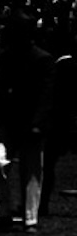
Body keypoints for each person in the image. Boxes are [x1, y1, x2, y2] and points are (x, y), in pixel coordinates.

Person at [0, 10, 55, 232]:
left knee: (32, 172)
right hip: (10, 120)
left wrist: (38, 123)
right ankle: (3, 212)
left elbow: (46, 96)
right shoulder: (5, 57)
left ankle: (30, 218)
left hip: (30, 122)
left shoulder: (42, 59)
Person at [42, 28, 75, 216]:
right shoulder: (69, 65)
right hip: (66, 121)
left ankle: (42, 203)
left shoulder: (62, 68)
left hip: (60, 122)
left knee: (47, 164)